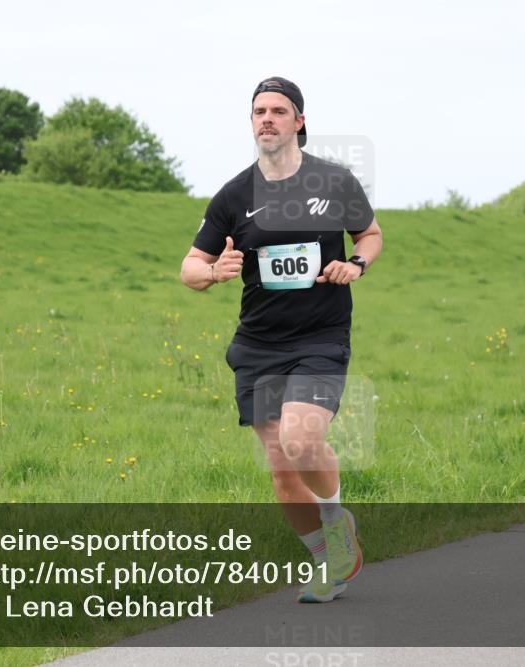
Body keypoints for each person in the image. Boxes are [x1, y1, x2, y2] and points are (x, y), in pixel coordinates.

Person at [180, 77, 383, 603]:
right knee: (279, 469)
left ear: (299, 121)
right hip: (259, 343)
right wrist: (213, 272)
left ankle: (338, 524)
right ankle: (327, 560)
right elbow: (189, 266)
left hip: (320, 335)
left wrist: (355, 264)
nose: (266, 118)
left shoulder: (335, 182)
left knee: (300, 440)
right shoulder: (234, 195)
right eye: (258, 111)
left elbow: (370, 234)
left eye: (278, 110)